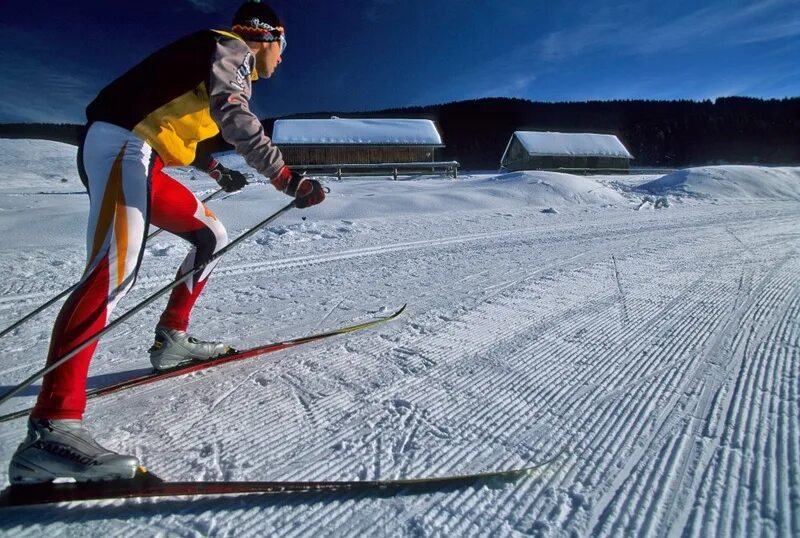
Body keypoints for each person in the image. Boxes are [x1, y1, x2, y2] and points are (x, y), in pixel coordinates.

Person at [8, 0, 324, 484]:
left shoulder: (215, 58)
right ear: (270, 36)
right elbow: (232, 113)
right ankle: (52, 427)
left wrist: (214, 168)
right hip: (122, 145)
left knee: (209, 234)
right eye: (285, 47)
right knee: (114, 271)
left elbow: (174, 124)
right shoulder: (232, 48)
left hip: (144, 155)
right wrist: (286, 177)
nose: (283, 59)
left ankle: (171, 339)